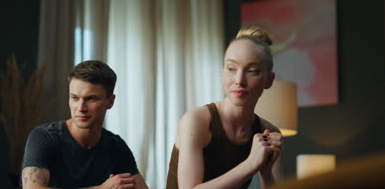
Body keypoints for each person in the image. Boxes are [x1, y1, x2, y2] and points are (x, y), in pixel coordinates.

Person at [166, 27, 283, 189]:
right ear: (222, 74)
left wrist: (266, 171)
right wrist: (250, 164)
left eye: (252, 71)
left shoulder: (268, 132)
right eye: (231, 69)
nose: (239, 80)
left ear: (269, 80)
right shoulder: (196, 121)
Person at [21, 60, 148, 189]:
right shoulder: (44, 137)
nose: (81, 107)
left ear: (110, 101)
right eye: (74, 98)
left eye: (90, 99)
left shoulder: (116, 146)